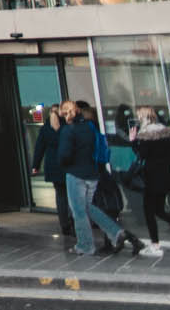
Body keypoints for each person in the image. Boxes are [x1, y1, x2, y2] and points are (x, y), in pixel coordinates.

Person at [58, 99, 141, 256]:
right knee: (88, 207)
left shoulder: (68, 130)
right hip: (92, 174)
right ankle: (117, 233)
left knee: (79, 211)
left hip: (76, 174)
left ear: (64, 113)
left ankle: (85, 245)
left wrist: (64, 164)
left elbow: (64, 155)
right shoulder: (89, 127)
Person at [128, 106, 170, 255]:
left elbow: (141, 155)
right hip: (165, 177)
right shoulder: (165, 132)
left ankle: (155, 245)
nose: (139, 120)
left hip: (151, 178)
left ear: (145, 117)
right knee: (159, 210)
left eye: (140, 117)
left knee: (149, 211)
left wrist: (133, 141)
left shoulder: (145, 135)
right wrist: (166, 161)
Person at [31, 105, 72, 235]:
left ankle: (64, 224)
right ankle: (74, 220)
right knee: (72, 195)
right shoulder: (67, 126)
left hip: (53, 165)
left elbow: (39, 148)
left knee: (60, 195)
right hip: (68, 164)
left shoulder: (45, 129)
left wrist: (35, 166)